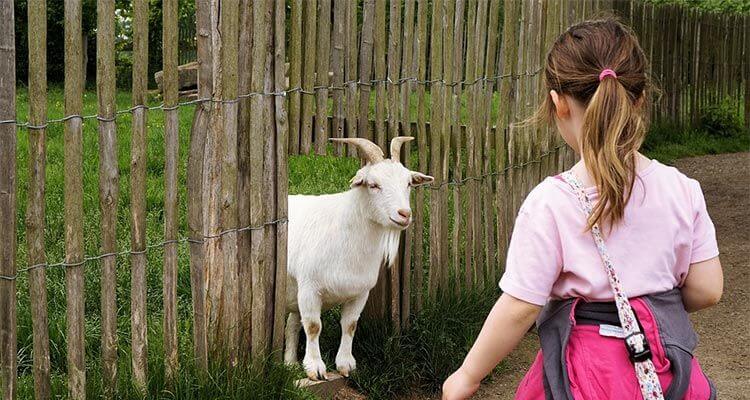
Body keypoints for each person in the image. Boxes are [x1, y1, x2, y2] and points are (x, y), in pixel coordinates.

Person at [442, 18, 723, 400]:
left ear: (557, 104)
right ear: (638, 99)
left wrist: (467, 376)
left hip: (581, 377)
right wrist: (648, 308)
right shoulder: (682, 189)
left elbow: (520, 307)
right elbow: (707, 290)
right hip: (664, 372)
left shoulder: (551, 202)